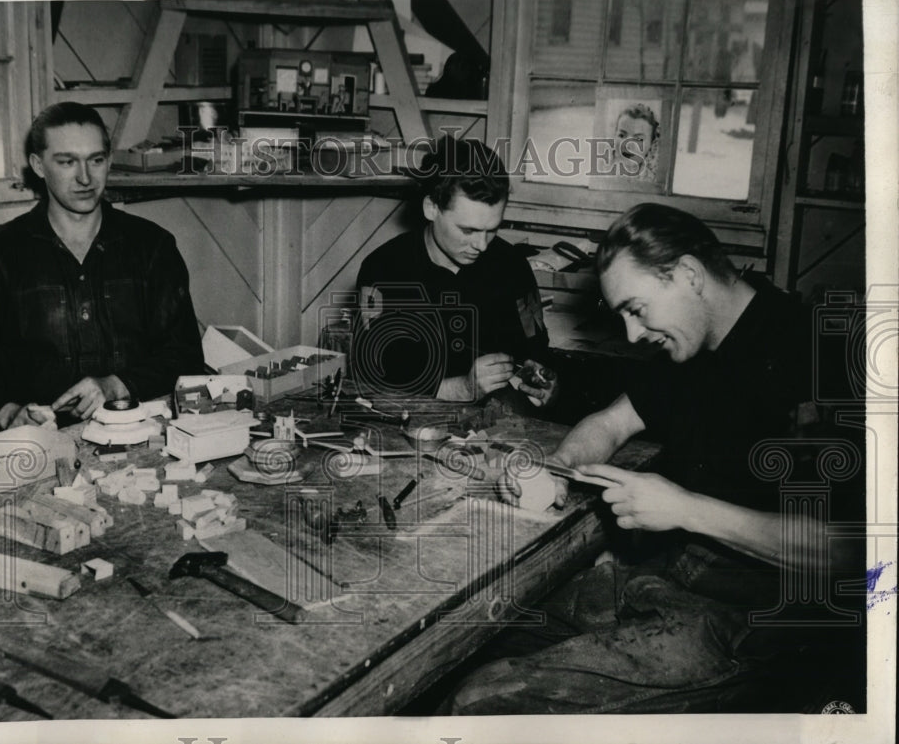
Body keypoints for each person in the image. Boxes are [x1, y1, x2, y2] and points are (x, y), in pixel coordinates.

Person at [448, 203, 864, 714]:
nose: (631, 335)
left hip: (756, 624)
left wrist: (685, 509)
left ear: (689, 275)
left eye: (636, 309)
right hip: (671, 582)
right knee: (478, 637)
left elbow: (857, 553)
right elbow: (610, 422)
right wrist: (554, 473)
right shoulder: (692, 346)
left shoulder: (820, 356)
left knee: (484, 702)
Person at [0, 102, 204, 430]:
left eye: (96, 160)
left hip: (138, 433)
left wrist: (114, 384)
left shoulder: (152, 246)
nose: (85, 178)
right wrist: (9, 413)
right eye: (67, 162)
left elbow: (185, 357)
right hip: (38, 446)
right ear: (38, 166)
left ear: (108, 160)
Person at [352, 136, 558, 407]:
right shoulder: (384, 269)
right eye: (468, 230)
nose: (481, 245)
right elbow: (373, 377)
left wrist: (542, 381)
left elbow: (535, 354)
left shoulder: (512, 266)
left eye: (492, 229)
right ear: (431, 208)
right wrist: (460, 389)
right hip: (410, 420)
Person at [610, 103, 659, 182]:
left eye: (638, 138)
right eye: (622, 135)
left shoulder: (655, 181)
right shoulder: (603, 170)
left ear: (652, 144)